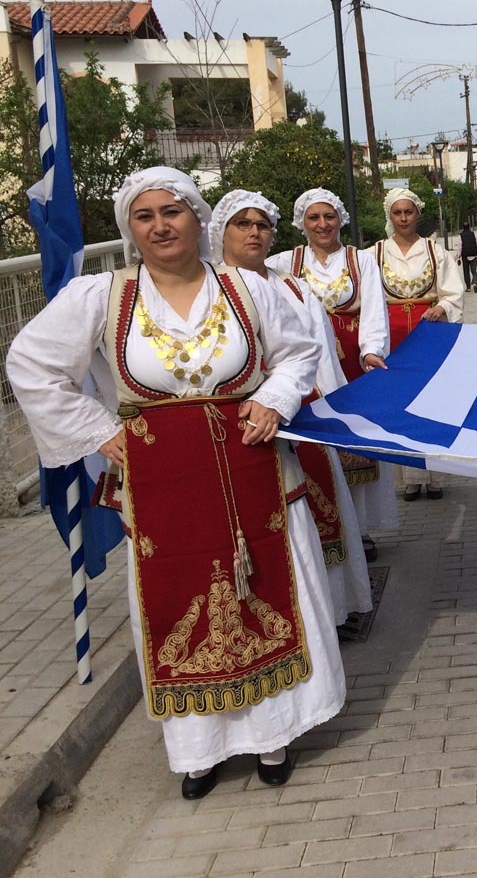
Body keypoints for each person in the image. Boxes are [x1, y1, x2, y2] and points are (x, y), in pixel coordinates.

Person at [6, 168, 345, 799]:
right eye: (145, 216)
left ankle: (274, 735)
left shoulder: (247, 287)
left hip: (254, 468)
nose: (160, 226)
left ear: (197, 217)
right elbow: (30, 362)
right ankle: (199, 750)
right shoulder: (100, 296)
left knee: (265, 585)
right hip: (161, 481)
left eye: (173, 211)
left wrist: (273, 399)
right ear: (130, 228)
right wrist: (97, 433)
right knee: (176, 601)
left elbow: (299, 352)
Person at [209, 190, 373, 630]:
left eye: (262, 224)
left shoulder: (294, 287)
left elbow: (322, 358)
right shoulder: (210, 289)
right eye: (243, 223)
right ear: (221, 231)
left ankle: (334, 610)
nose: (254, 232)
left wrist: (336, 414)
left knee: (322, 511)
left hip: (305, 411)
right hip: (241, 422)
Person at [266, 190, 397, 555]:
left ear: (340, 218)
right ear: (301, 222)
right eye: (314, 217)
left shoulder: (361, 260)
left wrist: (372, 351)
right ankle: (319, 525)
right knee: (314, 445)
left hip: (351, 361)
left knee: (355, 442)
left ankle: (361, 528)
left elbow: (374, 310)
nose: (322, 224)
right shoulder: (283, 262)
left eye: (329, 216)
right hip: (305, 363)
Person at [372, 187, 464, 501]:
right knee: (400, 404)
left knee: (433, 402)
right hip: (393, 337)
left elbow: (454, 292)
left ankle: (435, 476)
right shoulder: (375, 253)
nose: (403, 218)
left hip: (430, 333)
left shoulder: (435, 251)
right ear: (390, 215)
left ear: (417, 214)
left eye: (408, 212)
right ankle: (409, 478)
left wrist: (443, 307)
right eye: (397, 213)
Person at [459, 220, 477, 292]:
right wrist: (476, 251)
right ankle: (475, 283)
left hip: (465, 256)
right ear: (469, 227)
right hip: (473, 255)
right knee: (474, 271)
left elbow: (460, 247)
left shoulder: (460, 236)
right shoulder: (474, 234)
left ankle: (468, 287)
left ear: (463, 227)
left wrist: (459, 256)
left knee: (466, 272)